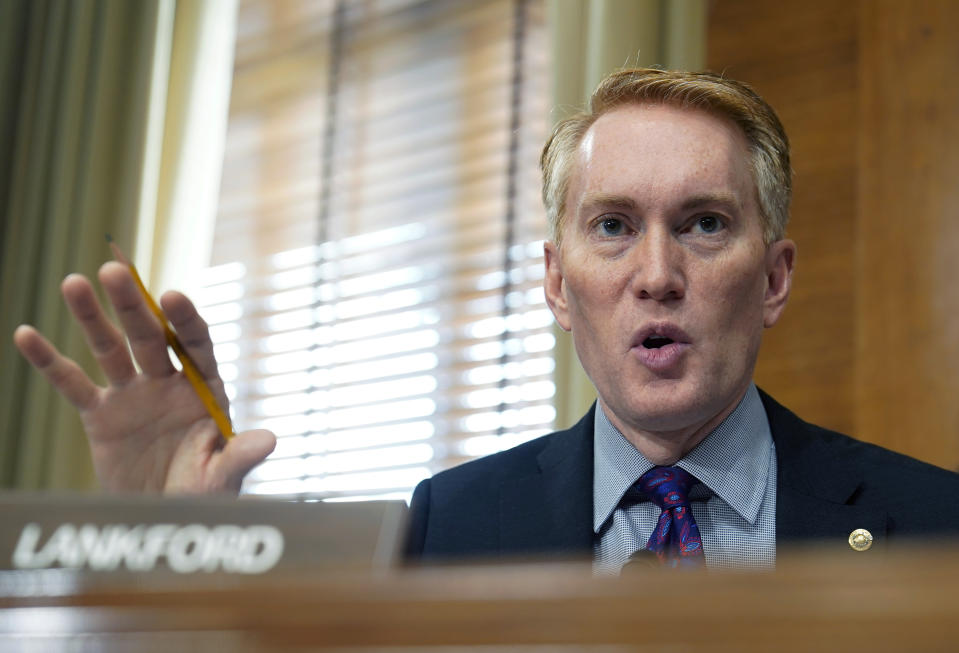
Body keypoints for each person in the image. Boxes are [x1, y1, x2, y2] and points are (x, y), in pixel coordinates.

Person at [14, 69, 959, 571]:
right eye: (612, 226)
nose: (657, 274)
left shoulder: (932, 524)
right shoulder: (448, 527)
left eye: (705, 224)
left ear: (774, 278)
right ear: (555, 283)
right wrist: (183, 553)